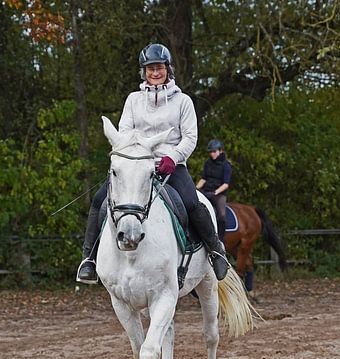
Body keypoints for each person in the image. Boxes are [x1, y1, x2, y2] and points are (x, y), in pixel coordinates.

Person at [76, 43, 228, 284]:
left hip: (171, 165)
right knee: (99, 201)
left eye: (159, 68)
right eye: (150, 69)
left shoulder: (183, 102)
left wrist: (173, 157)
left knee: (191, 202)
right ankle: (89, 260)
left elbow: (190, 137)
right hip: (137, 165)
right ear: (143, 72)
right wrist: (134, 156)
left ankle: (216, 252)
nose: (155, 73)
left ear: (168, 69)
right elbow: (124, 132)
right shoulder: (133, 100)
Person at [196, 139, 233, 242]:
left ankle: (220, 240)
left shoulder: (226, 166)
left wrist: (214, 193)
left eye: (214, 151)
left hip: (219, 194)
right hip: (206, 190)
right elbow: (203, 179)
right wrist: (196, 189)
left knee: (221, 215)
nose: (212, 154)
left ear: (220, 151)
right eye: (210, 152)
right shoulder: (208, 163)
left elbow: (226, 184)